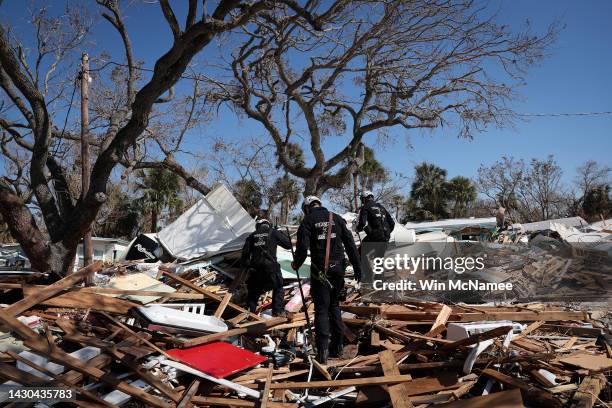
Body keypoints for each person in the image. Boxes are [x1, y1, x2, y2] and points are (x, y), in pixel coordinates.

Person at [291, 196, 362, 364]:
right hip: (338, 270)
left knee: (322, 310)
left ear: (307, 208)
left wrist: (297, 263)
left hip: (320, 272)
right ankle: (337, 348)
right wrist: (358, 268)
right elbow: (351, 244)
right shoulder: (336, 218)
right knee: (335, 306)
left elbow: (302, 247)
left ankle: (322, 352)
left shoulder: (308, 221)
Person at [241, 218, 292, 316]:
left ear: (258, 226)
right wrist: (281, 233)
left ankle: (249, 312)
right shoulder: (274, 232)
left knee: (254, 291)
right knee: (278, 286)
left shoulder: (252, 236)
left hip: (256, 268)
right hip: (271, 267)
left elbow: (245, 255)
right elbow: (288, 245)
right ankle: (278, 311)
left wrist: (248, 268)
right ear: (268, 225)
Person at [356, 190, 395, 282]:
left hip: (375, 236)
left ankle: (368, 276)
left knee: (360, 252)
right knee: (379, 258)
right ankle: (379, 280)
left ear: (364, 199)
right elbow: (392, 223)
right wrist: (387, 234)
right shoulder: (382, 207)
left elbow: (362, 222)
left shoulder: (366, 207)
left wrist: (358, 229)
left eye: (362, 199)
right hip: (385, 237)